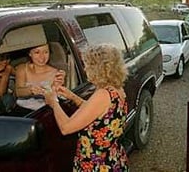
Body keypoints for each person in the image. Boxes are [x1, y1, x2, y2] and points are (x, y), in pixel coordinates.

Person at [44, 43, 129, 171]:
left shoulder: (102, 94)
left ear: (98, 68)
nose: (84, 69)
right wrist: (73, 96)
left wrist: (53, 102)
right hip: (112, 158)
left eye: (87, 65)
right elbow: (97, 114)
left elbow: (66, 128)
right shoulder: (116, 89)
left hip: (96, 165)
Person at [15, 43, 65, 112]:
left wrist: (56, 88)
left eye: (46, 52)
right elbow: (18, 92)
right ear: (30, 53)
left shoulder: (55, 73)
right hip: (22, 111)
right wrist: (30, 90)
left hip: (45, 112)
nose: (42, 57)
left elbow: (57, 99)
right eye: (37, 52)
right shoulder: (22, 69)